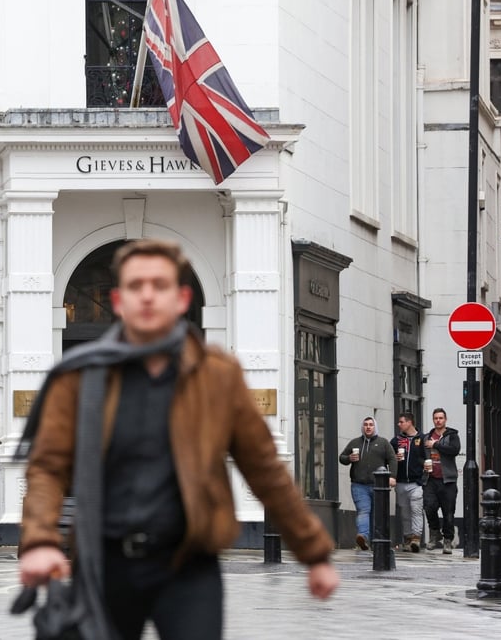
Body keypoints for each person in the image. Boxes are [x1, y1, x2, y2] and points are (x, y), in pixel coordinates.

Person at [18, 238, 338, 640]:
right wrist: (39, 541)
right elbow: (47, 467)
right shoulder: (81, 375)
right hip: (105, 562)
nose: (147, 296)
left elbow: (265, 470)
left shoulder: (217, 376)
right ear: (118, 300)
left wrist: (314, 553)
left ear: (182, 298)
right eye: (136, 286)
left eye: (159, 285)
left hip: (188, 565)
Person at [339, 417, 397, 551]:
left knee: (376, 514)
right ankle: (363, 537)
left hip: (378, 486)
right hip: (359, 485)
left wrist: (392, 477)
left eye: (371, 425)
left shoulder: (383, 443)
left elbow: (392, 459)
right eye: (365, 425)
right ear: (362, 427)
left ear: (375, 427)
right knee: (364, 510)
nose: (368, 427)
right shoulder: (355, 442)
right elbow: (342, 458)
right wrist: (349, 458)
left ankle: (375, 541)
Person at [423, 407, 461, 553]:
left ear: (445, 420)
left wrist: (436, 445)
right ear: (433, 420)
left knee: (448, 512)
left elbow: (454, 450)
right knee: (429, 507)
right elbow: (420, 455)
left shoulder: (452, 436)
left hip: (448, 480)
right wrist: (423, 464)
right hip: (430, 479)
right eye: (436, 418)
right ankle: (434, 533)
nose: (438, 421)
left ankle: (447, 540)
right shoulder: (427, 437)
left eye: (441, 418)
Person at [390, 413, 427, 552]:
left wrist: (424, 475)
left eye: (401, 422)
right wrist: (394, 458)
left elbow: (427, 457)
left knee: (416, 510)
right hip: (400, 481)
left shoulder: (422, 439)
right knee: (405, 513)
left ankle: (416, 538)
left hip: (416, 482)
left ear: (409, 422)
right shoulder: (396, 441)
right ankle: (407, 538)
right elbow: (388, 458)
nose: (399, 424)